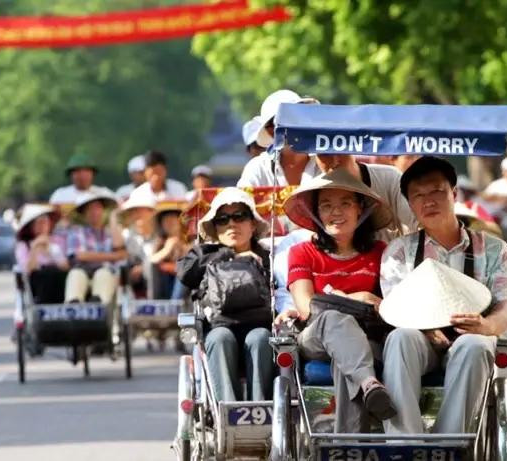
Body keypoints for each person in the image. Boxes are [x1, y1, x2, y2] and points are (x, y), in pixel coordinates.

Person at [379, 156, 507, 435]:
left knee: (475, 345)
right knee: (399, 337)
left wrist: (487, 326)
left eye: (436, 192)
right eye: (418, 195)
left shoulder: (495, 250)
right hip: (421, 339)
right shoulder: (398, 252)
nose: (428, 201)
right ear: (410, 204)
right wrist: (427, 329)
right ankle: (406, 447)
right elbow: (396, 309)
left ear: (454, 194)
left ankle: (450, 445)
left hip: (472, 336)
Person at [275, 169, 397, 433]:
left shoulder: (380, 253)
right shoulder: (301, 252)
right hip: (316, 335)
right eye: (326, 206)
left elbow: (391, 305)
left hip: (365, 342)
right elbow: (307, 306)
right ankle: (369, 384)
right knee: (333, 319)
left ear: (360, 209)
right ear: (316, 214)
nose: (336, 212)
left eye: (345, 203)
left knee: (345, 361)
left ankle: (350, 445)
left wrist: (366, 301)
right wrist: (359, 298)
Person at [176, 187, 274, 401]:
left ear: (253, 223)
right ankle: (229, 415)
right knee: (220, 339)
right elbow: (185, 273)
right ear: (215, 227)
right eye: (223, 219)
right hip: (218, 327)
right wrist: (230, 254)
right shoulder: (204, 254)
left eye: (239, 216)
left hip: (260, 326)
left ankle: (261, 413)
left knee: (261, 339)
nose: (232, 224)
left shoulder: (269, 256)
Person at [312, 153, 418, 242]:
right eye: (325, 155)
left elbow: (416, 226)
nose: (335, 160)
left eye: (340, 152)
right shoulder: (311, 189)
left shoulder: (389, 177)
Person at [237, 89, 321, 188]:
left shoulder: (325, 162)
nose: (284, 129)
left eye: (292, 118)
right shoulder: (259, 168)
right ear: (269, 131)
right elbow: (242, 199)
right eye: (272, 125)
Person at [64, 190, 127, 304]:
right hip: (83, 272)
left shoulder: (110, 232)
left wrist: (113, 218)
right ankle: (73, 306)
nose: (94, 212)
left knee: (103, 273)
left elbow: (121, 251)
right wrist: (113, 256)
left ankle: (98, 305)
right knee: (76, 274)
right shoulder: (77, 231)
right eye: (90, 209)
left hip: (106, 274)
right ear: (84, 214)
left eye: (98, 208)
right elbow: (80, 255)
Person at [14, 204, 69, 303]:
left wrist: (51, 249)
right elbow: (28, 270)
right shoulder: (24, 246)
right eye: (38, 223)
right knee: (44, 274)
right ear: (31, 226)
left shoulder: (59, 241)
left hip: (60, 281)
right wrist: (35, 248)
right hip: (38, 284)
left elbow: (65, 266)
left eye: (45, 222)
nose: (42, 226)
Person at [120, 187, 158, 298]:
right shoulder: (126, 235)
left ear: (151, 212)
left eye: (141, 210)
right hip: (133, 280)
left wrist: (143, 267)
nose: (137, 214)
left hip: (156, 280)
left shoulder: (161, 235)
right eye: (133, 211)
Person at [150, 201, 190, 299]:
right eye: (166, 220)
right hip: (162, 286)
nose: (169, 223)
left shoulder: (189, 241)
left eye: (172, 219)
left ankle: (174, 304)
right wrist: (167, 249)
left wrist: (182, 248)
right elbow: (151, 261)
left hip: (182, 288)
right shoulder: (159, 242)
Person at [49, 152, 115, 206]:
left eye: (86, 171)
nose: (82, 175)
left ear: (93, 173)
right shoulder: (60, 195)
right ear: (71, 174)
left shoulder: (105, 194)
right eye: (78, 171)